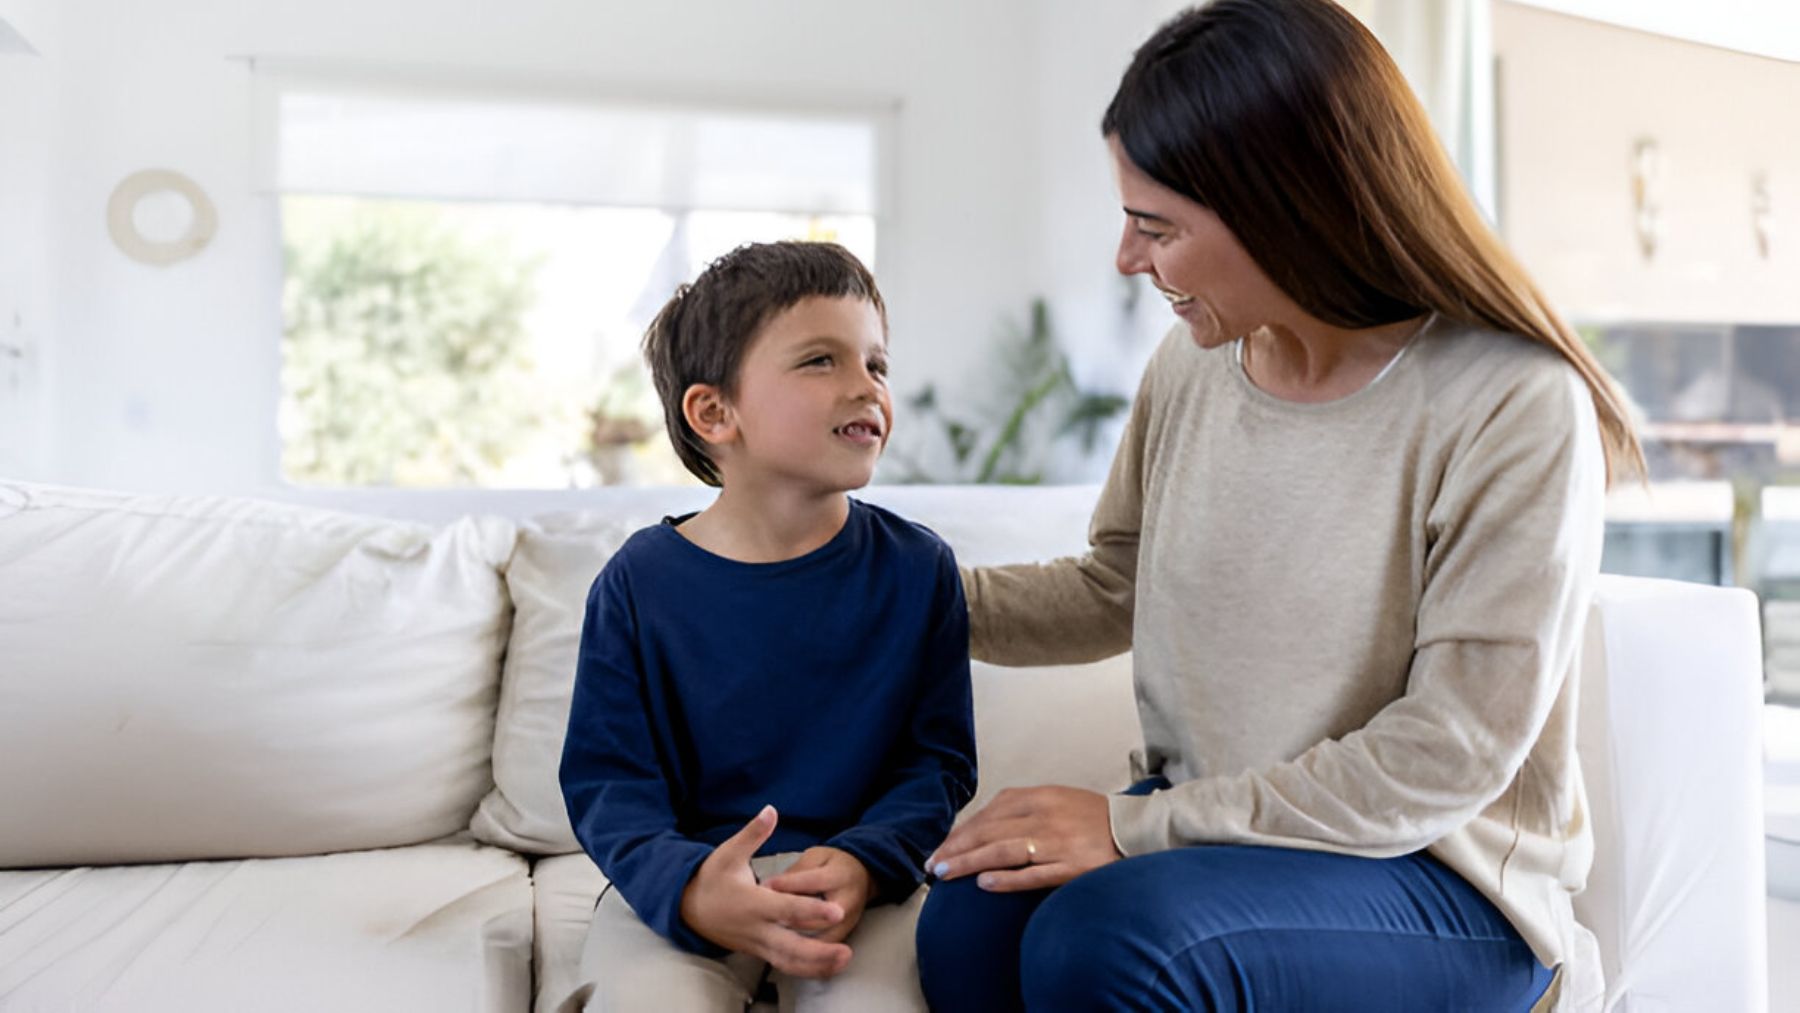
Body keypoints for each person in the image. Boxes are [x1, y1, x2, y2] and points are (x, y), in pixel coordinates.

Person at [913, 2, 1641, 1011]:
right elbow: (1113, 584)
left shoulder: (1513, 401)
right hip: (1224, 836)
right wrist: (893, 596)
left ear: (1286, 211)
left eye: (1156, 226)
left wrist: (1131, 828)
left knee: (1108, 943)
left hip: (1441, 880)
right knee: (972, 912)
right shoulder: (1193, 366)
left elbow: (1447, 753)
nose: (1128, 258)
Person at [559, 241, 976, 1012]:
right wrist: (687, 887)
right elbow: (608, 783)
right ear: (715, 411)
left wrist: (862, 862)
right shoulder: (636, 583)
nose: (866, 387)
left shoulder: (920, 571)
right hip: (681, 891)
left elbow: (937, 766)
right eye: (822, 360)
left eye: (877, 364)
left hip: (862, 891)